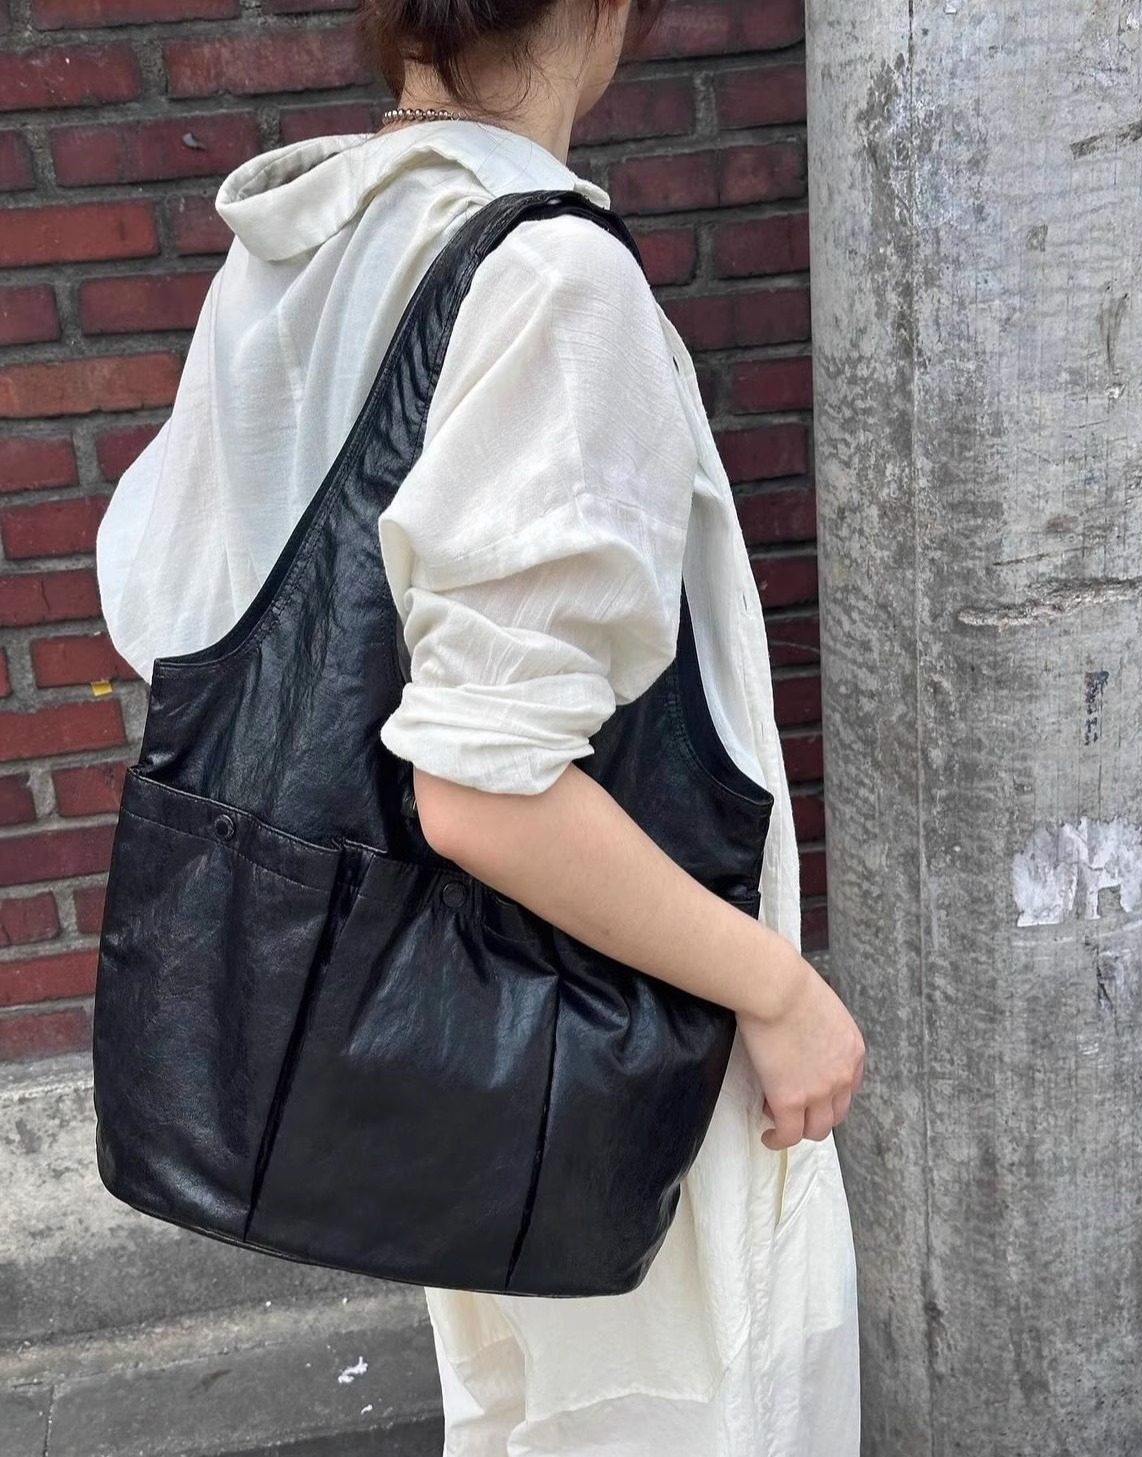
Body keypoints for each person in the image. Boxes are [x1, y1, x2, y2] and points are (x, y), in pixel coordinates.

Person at [94, 0, 866, 1451]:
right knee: (690, 1406)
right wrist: (779, 992)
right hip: (605, 1010)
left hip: (439, 1029)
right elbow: (483, 788)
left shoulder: (305, 239)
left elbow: (169, 617)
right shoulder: (552, 277)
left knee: (528, 1410)